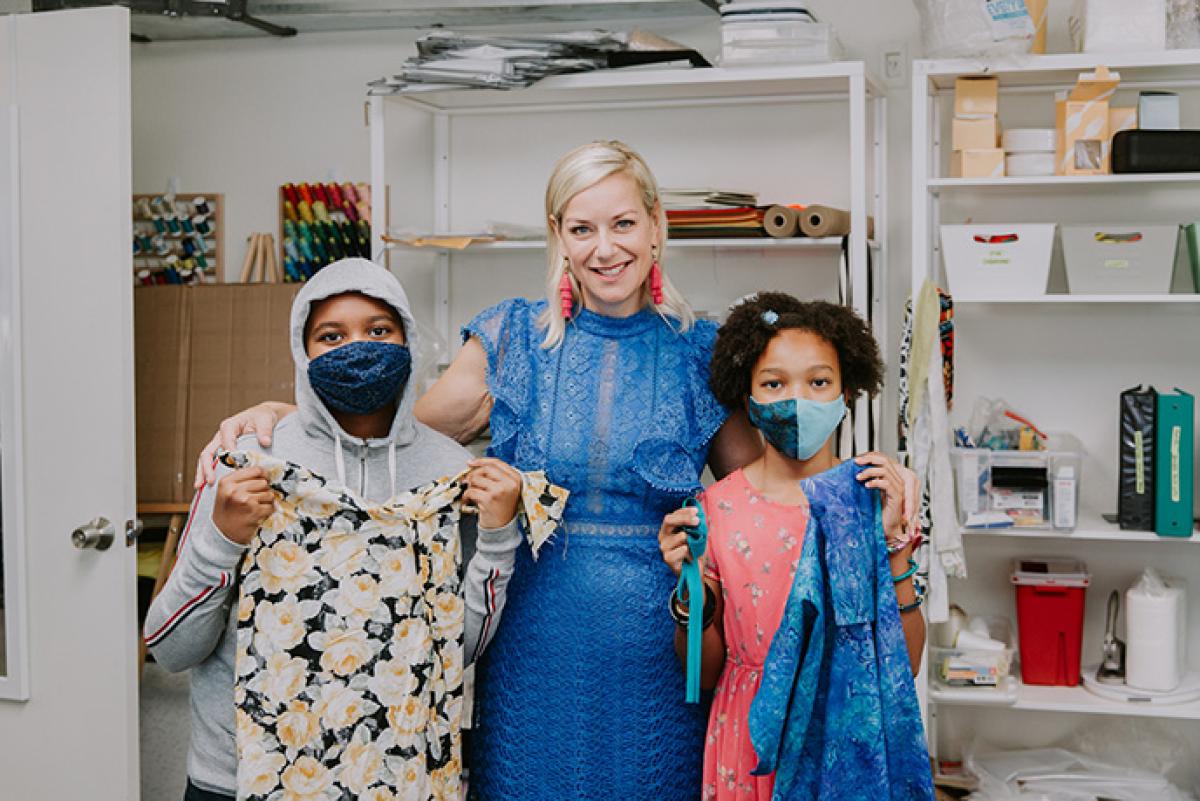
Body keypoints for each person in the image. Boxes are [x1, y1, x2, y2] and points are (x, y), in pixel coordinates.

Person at [194, 142, 915, 800]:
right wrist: (284, 411)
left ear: (657, 227)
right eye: (582, 229)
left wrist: (874, 486)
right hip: (532, 642)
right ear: (558, 237)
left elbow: (771, 488)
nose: (606, 248)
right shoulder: (510, 338)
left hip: (661, 652)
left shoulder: (702, 350)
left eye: (624, 224)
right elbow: (392, 428)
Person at [145, 258, 527, 801]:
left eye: (378, 330)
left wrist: (496, 538)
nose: (358, 347)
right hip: (240, 778)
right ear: (303, 353)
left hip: (394, 777)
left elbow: (454, 651)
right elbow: (169, 648)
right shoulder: (252, 462)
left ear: (407, 338)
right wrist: (221, 540)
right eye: (331, 335)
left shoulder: (449, 473)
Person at [657, 292, 927, 801]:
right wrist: (690, 587)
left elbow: (904, 664)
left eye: (818, 382)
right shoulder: (717, 508)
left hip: (843, 735)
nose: (797, 398)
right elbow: (703, 671)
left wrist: (894, 546)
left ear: (847, 394)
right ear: (748, 399)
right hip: (749, 744)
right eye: (774, 383)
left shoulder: (870, 499)